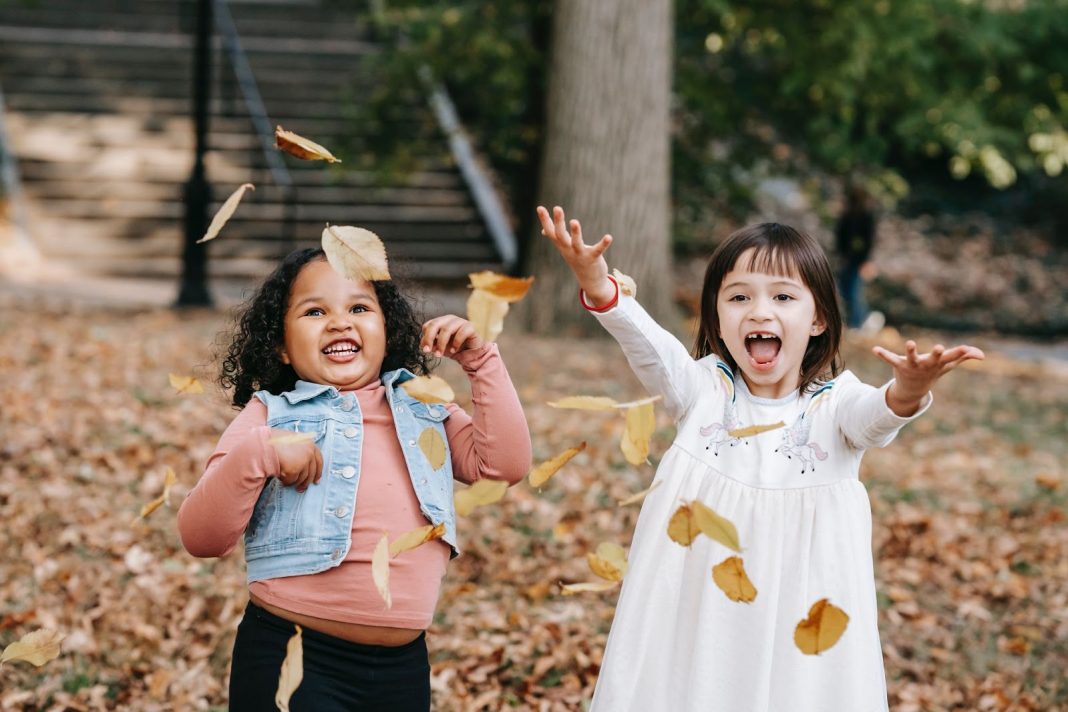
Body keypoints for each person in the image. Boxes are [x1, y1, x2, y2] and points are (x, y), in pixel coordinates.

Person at [537, 205, 983, 712]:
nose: (759, 310)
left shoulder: (835, 405)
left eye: (783, 297)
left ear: (817, 319)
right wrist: (598, 284)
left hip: (801, 613)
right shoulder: (702, 389)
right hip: (699, 610)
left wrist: (907, 389)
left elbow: (876, 417)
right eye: (739, 297)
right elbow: (647, 344)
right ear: (717, 318)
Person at [177, 247, 531, 711]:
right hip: (294, 655)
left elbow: (503, 465)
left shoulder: (425, 406)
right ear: (282, 345)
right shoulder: (272, 416)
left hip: (402, 670)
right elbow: (200, 536)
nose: (340, 322)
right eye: (315, 310)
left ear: (387, 330)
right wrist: (260, 452)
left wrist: (481, 361)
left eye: (359, 308)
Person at [835, 183, 879, 330]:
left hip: (857, 260)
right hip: (848, 259)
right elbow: (841, 238)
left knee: (854, 292)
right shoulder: (847, 217)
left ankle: (857, 323)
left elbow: (868, 241)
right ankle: (852, 322)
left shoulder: (866, 216)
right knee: (845, 291)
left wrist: (865, 261)